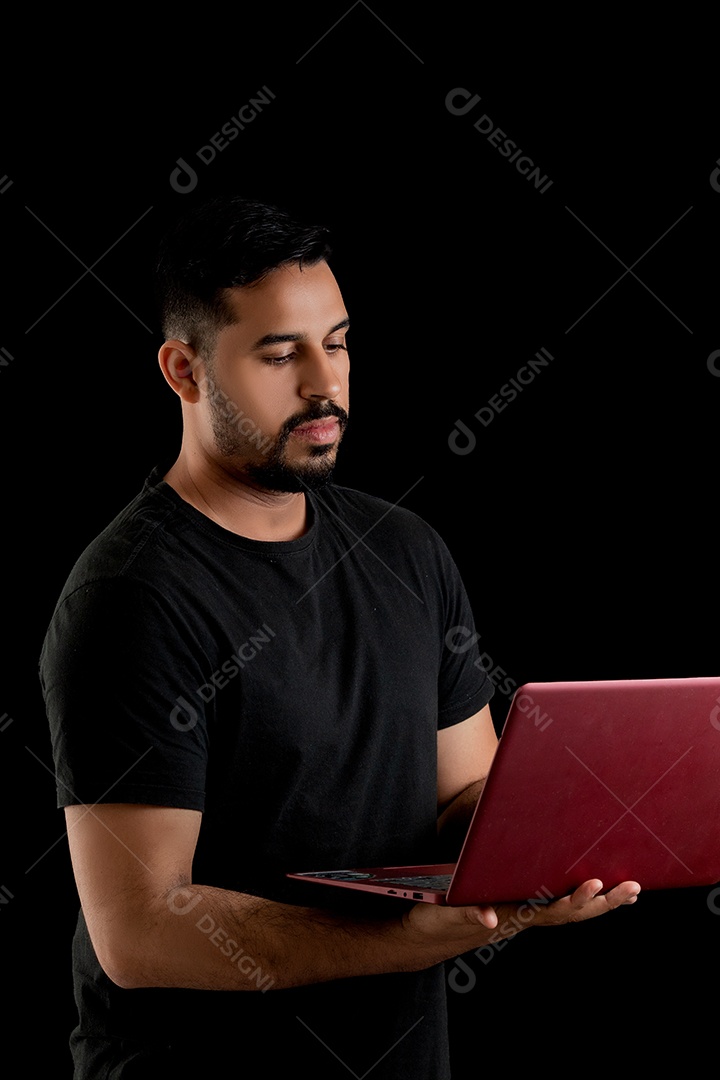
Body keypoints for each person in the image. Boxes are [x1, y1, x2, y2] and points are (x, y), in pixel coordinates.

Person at [39, 194, 640, 1079]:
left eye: (340, 342)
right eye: (280, 354)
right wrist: (404, 939)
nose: (325, 383)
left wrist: (547, 851)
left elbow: (462, 793)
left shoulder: (407, 549)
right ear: (184, 370)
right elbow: (141, 928)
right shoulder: (131, 597)